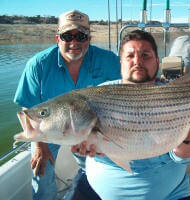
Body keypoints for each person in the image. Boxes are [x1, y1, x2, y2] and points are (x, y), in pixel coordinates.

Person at [73, 30, 190, 200]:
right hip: (97, 193)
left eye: (145, 55)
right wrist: (80, 148)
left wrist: (188, 139)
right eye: (130, 56)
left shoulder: (177, 95)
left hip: (170, 195)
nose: (137, 61)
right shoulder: (96, 96)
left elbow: (184, 157)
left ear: (158, 62)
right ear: (121, 62)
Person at [13, 10, 120, 200]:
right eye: (67, 36)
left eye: (81, 36)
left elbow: (129, 90)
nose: (74, 42)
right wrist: (39, 145)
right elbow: (29, 109)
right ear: (57, 38)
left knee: (101, 171)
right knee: (41, 172)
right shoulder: (37, 65)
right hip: (47, 131)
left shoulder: (109, 60)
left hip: (91, 128)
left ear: (89, 38)